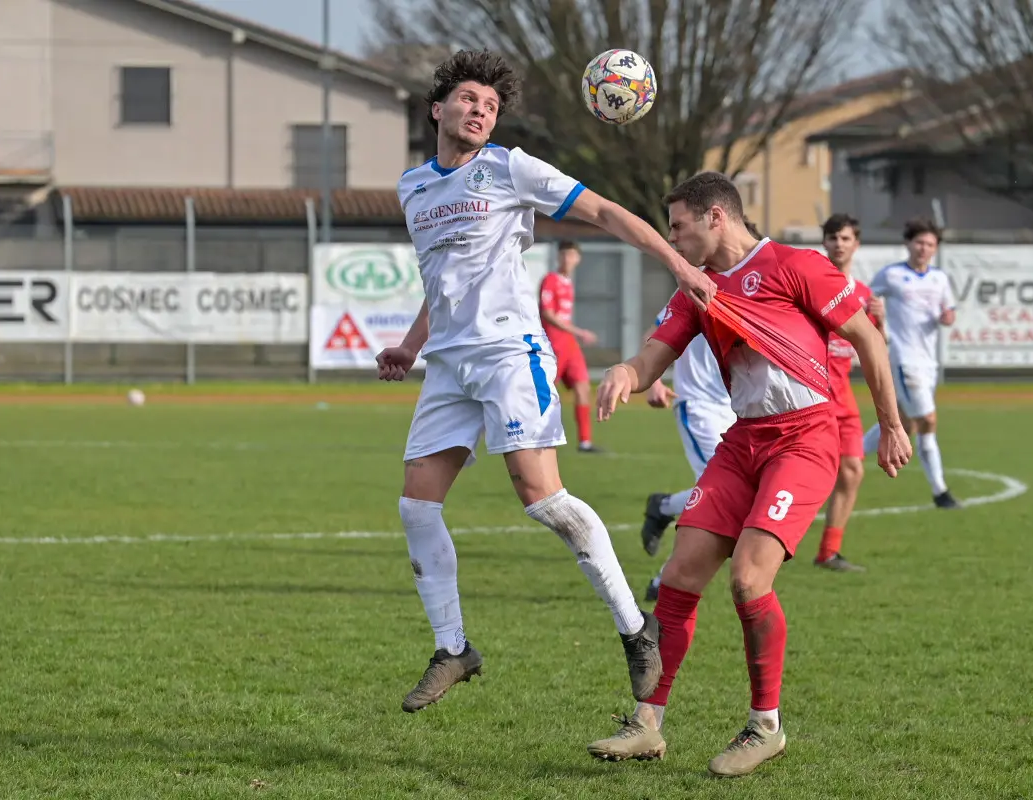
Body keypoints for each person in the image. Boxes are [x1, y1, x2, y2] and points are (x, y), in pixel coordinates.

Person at [378, 50, 717, 714]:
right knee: (417, 505)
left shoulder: (509, 168)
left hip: (508, 353)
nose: (480, 111)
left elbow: (607, 213)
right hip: (448, 364)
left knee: (542, 499)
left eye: (491, 106)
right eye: (469, 99)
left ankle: (634, 628)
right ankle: (454, 648)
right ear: (436, 110)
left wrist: (678, 262)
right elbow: (438, 279)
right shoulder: (414, 186)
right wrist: (411, 345)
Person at [588, 172, 911, 777]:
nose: (672, 238)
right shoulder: (696, 288)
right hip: (743, 441)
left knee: (747, 579)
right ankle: (646, 724)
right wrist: (627, 374)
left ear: (716, 217)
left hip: (805, 437)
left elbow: (867, 337)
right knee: (680, 574)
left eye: (679, 225)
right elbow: (656, 352)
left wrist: (890, 424)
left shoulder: (794, 265)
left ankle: (766, 726)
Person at [637, 219, 764, 601]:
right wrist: (655, 381)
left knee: (726, 493)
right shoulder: (697, 285)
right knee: (722, 497)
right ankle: (665, 579)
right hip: (700, 407)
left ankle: (663, 507)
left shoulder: (756, 288)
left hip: (738, 411)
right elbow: (659, 332)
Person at [859, 218, 959, 509]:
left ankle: (850, 454)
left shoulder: (939, 279)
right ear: (908, 244)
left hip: (929, 362)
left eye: (929, 244)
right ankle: (940, 491)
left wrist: (947, 317)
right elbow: (865, 296)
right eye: (919, 242)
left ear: (935, 249)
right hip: (904, 359)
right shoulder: (891, 275)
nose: (923, 248)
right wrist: (874, 310)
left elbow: (949, 310)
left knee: (904, 423)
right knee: (927, 419)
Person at [813, 213, 886, 572]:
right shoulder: (808, 282)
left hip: (843, 396)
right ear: (823, 243)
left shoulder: (864, 295)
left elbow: (876, 349)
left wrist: (881, 321)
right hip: (811, 396)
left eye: (845, 238)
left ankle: (829, 551)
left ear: (856, 244)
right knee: (811, 474)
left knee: (853, 471)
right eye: (832, 238)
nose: (838, 244)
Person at [539, 241, 601, 453]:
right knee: (544, 391)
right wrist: (579, 331)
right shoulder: (550, 280)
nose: (567, 259)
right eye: (564, 254)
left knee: (583, 387)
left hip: (569, 343)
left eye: (572, 255)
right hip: (554, 342)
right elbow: (547, 313)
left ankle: (585, 441)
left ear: (578, 259)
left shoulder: (568, 282)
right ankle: (538, 436)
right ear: (558, 257)